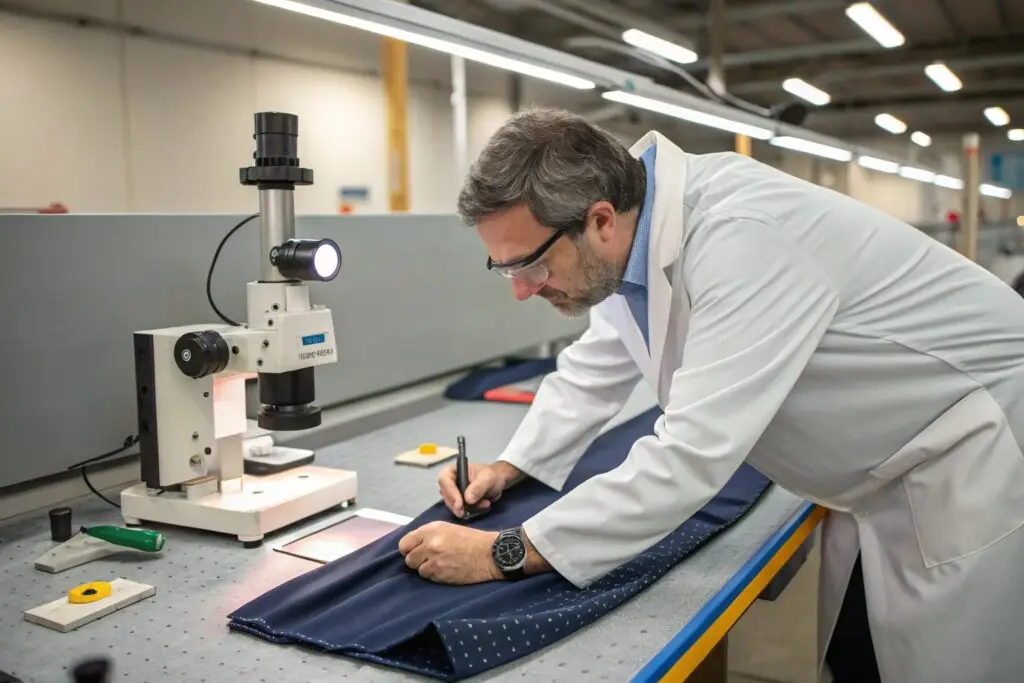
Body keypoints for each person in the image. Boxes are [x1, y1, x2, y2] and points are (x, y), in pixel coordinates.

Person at [396, 108, 1024, 683]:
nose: (522, 290)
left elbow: (692, 455)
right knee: (865, 654)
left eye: (528, 265)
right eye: (505, 269)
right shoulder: (628, 246)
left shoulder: (741, 233)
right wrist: (511, 466)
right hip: (888, 466)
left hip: (971, 452)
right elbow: (595, 365)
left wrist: (506, 551)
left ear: (600, 221)